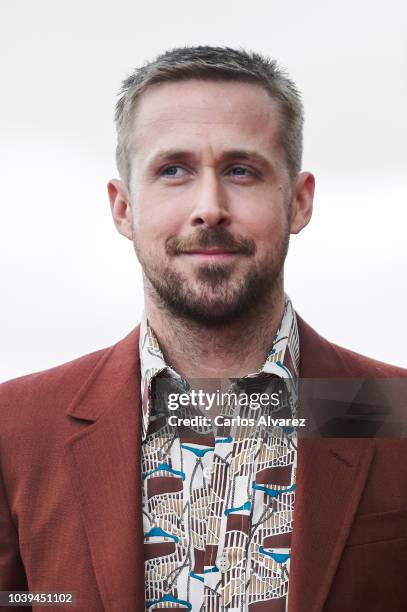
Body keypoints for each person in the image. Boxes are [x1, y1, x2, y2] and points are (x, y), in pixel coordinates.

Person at [0, 46, 406, 612]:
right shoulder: (15, 429)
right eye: (174, 171)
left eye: (241, 170)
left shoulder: (393, 411)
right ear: (123, 208)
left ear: (298, 200)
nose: (209, 208)